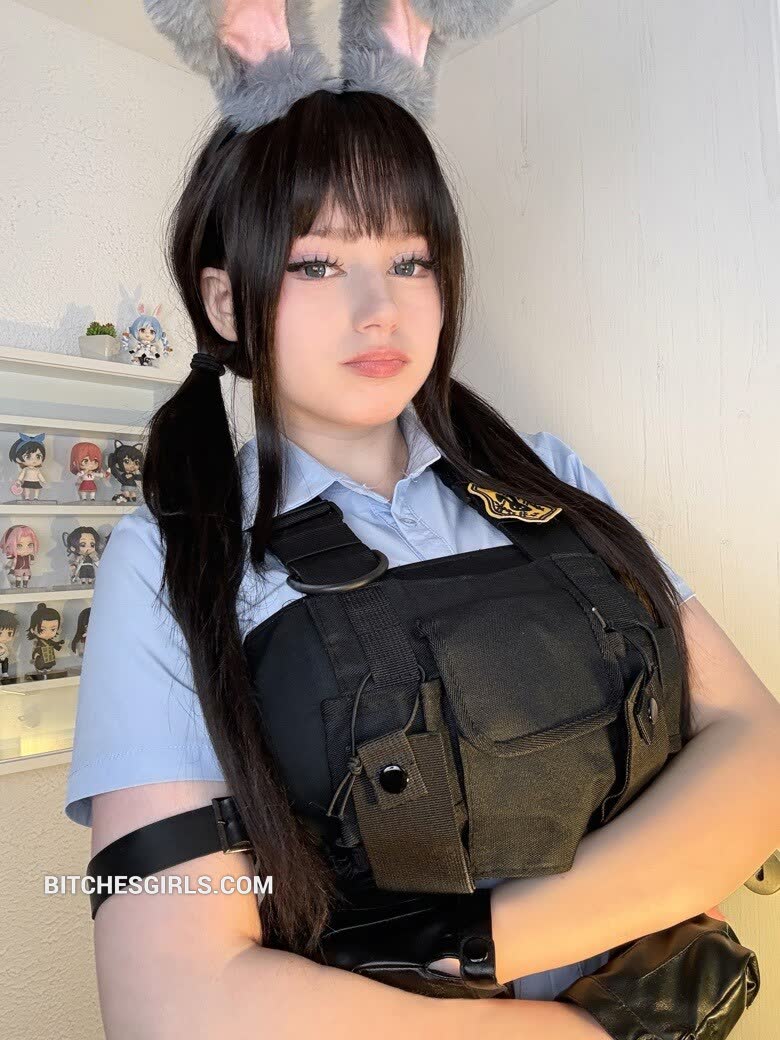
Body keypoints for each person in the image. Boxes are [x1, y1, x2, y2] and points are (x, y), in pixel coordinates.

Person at [65, 2, 775, 1037]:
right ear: (225, 302)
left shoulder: (551, 479)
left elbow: (754, 740)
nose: (380, 309)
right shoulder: (175, 561)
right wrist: (585, 1030)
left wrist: (490, 942)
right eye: (317, 262)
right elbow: (173, 1000)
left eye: (411, 260)